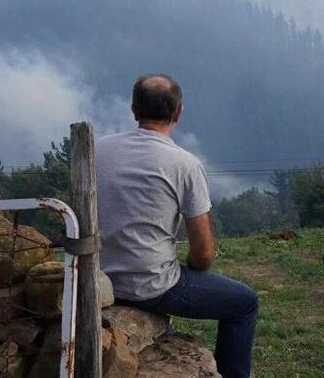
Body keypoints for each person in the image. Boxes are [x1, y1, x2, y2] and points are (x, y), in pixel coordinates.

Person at [96, 74, 259, 378]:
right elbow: (203, 254)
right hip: (150, 286)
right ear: (178, 112)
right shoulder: (184, 164)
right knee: (245, 304)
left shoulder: (98, 151)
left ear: (133, 110)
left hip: (99, 281)